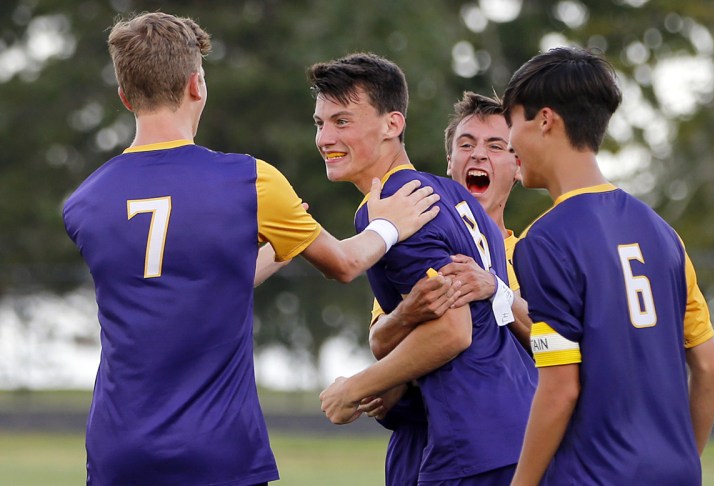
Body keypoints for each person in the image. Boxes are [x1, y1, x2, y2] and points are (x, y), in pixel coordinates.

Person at [61, 13, 440, 486]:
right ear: (197, 84)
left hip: (118, 451)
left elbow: (183, 284)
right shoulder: (249, 180)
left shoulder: (84, 202)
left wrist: (279, 251)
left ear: (124, 95)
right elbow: (344, 264)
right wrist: (387, 225)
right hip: (218, 450)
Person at [500, 46, 714, 485]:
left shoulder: (544, 241)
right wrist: (680, 463)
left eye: (512, 121)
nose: (509, 142)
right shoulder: (665, 236)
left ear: (545, 120)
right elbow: (711, 369)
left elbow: (560, 388)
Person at [310, 53, 537, 485]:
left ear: (392, 125)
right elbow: (398, 338)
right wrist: (406, 320)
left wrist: (353, 390)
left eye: (342, 122)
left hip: (471, 443)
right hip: (516, 429)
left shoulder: (394, 207)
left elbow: (454, 332)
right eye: (320, 123)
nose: (325, 138)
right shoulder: (457, 198)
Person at [362, 92, 536, 486]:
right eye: (466, 144)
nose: (478, 155)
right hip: (418, 442)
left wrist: (495, 290)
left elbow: (554, 342)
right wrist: (405, 323)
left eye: (496, 146)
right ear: (449, 163)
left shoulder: (531, 253)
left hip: (501, 443)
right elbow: (381, 338)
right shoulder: (421, 245)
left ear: (518, 166)